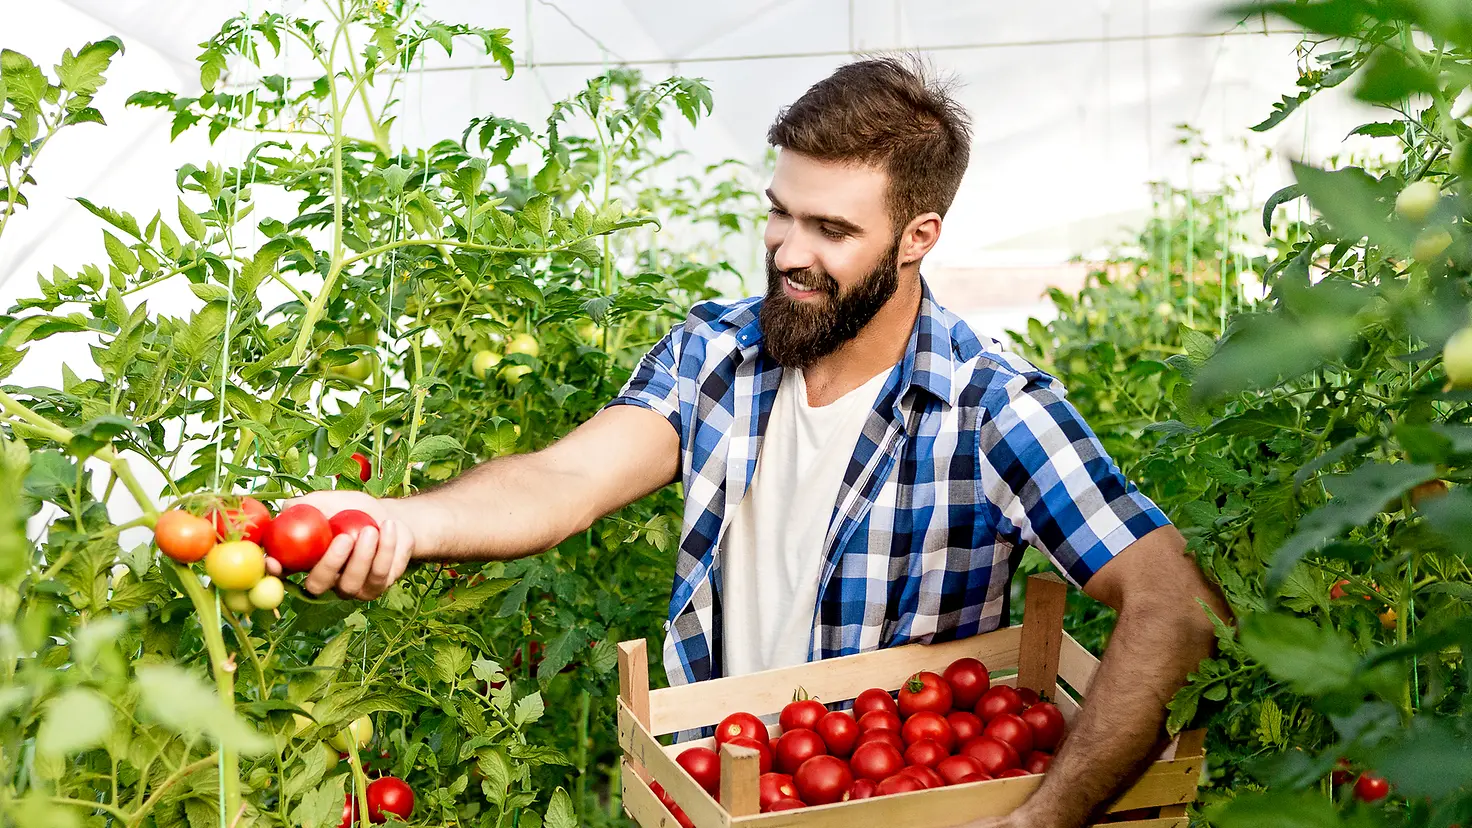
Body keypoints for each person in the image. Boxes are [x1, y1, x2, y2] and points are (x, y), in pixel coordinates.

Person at [278, 56, 1229, 828]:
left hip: (895, 810)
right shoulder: (717, 357)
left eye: (831, 228)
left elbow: (1174, 604)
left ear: (917, 236)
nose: (786, 250)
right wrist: (401, 520)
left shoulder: (990, 410)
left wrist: (1040, 818)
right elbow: (568, 475)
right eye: (779, 211)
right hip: (725, 790)